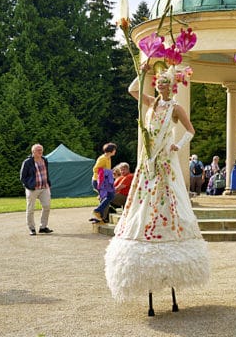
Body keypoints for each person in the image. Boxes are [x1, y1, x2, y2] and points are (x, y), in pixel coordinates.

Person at [105, 65, 210, 307]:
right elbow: (132, 89)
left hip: (163, 158)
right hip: (147, 160)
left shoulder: (176, 108)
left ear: (172, 86)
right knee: (143, 200)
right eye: (158, 82)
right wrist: (141, 72)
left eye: (164, 82)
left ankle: (166, 236)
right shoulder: (151, 103)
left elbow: (191, 130)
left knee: (166, 198)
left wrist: (178, 145)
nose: (160, 85)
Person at [20, 143, 53, 235]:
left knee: (47, 206)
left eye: (41, 150)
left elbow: (46, 173)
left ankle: (43, 227)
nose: (40, 152)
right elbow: (23, 177)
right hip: (32, 189)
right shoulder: (27, 162)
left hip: (44, 187)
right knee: (30, 209)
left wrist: (48, 183)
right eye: (38, 150)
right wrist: (29, 186)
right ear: (33, 151)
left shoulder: (44, 160)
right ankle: (32, 228)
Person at [91, 143, 117, 223]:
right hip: (98, 181)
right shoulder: (103, 158)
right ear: (111, 151)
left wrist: (111, 172)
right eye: (114, 150)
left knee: (106, 197)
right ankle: (97, 210)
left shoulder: (108, 158)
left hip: (103, 182)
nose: (115, 151)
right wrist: (108, 173)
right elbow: (95, 169)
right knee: (110, 195)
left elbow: (105, 170)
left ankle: (100, 218)